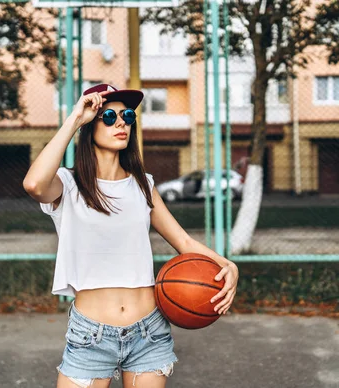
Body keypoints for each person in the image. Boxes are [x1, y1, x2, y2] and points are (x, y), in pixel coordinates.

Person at [23, 83, 239, 388]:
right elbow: (33, 184)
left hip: (149, 331)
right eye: (109, 117)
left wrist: (226, 264)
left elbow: (185, 243)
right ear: (89, 125)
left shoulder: (143, 185)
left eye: (127, 115)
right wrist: (73, 119)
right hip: (92, 334)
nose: (122, 121)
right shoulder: (68, 184)